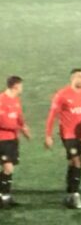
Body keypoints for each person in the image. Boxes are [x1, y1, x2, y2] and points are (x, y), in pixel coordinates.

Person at [44, 69, 81, 209]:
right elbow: (52, 115)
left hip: (80, 135)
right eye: (80, 76)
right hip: (67, 134)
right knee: (77, 162)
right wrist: (48, 135)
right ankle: (75, 195)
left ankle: (69, 194)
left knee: (75, 162)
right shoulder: (62, 95)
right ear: (73, 78)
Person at [0, 76, 30, 208]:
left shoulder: (16, 100)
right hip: (2, 139)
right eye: (21, 86)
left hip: (12, 140)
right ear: (15, 86)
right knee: (7, 167)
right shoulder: (1, 100)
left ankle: (6, 195)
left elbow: (19, 116)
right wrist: (19, 128)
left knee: (10, 168)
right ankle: (3, 196)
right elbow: (2, 122)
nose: (22, 88)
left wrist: (24, 127)